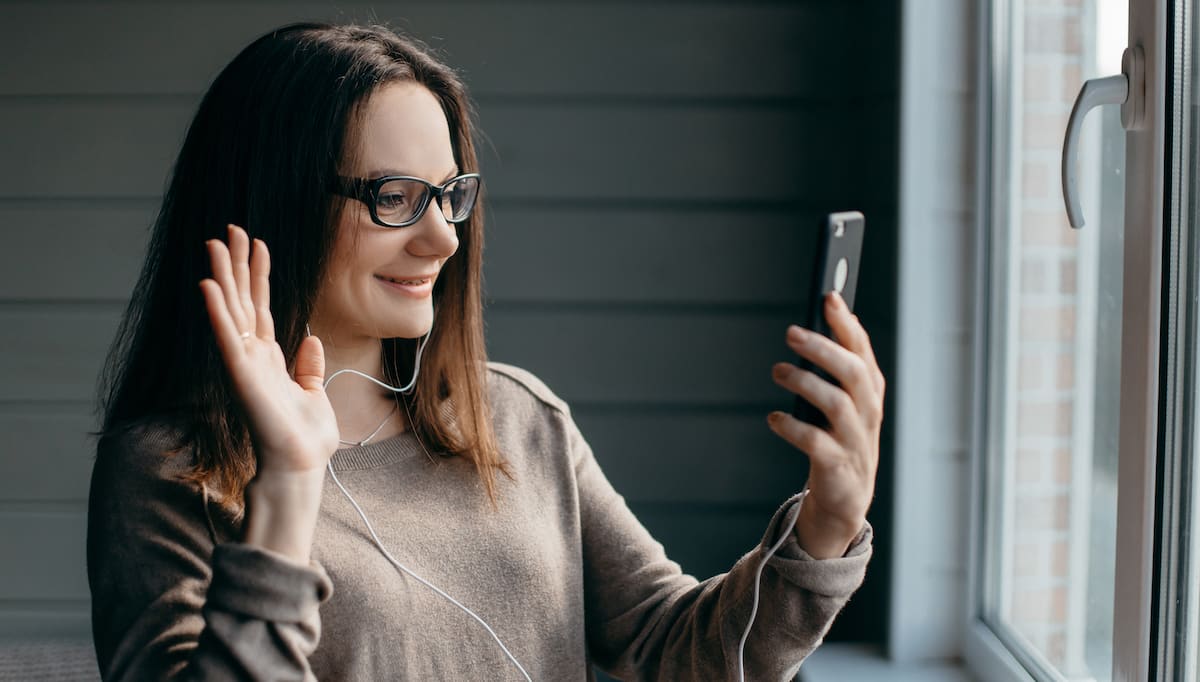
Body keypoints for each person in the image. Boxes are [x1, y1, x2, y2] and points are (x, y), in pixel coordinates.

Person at [87, 22, 885, 682]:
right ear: (273, 202)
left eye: (450, 195)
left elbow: (678, 650)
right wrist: (290, 482)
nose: (442, 238)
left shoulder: (516, 416)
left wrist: (827, 521)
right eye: (393, 197)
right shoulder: (165, 470)